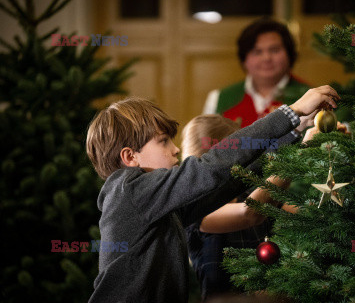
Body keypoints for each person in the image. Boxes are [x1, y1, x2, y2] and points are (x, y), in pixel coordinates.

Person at [85, 86, 341, 303]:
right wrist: (291, 112)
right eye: (163, 141)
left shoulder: (159, 207)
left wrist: (295, 133)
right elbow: (212, 168)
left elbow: (230, 179)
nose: (175, 150)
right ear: (130, 157)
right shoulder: (128, 189)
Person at [182, 114, 303, 301]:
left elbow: (305, 216)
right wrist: (296, 155)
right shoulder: (195, 211)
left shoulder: (248, 194)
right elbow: (249, 212)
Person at [203, 17, 311, 128]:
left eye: (274, 50)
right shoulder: (218, 99)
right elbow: (206, 143)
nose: (266, 58)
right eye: (257, 52)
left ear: (289, 54)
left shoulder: (309, 97)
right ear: (244, 59)